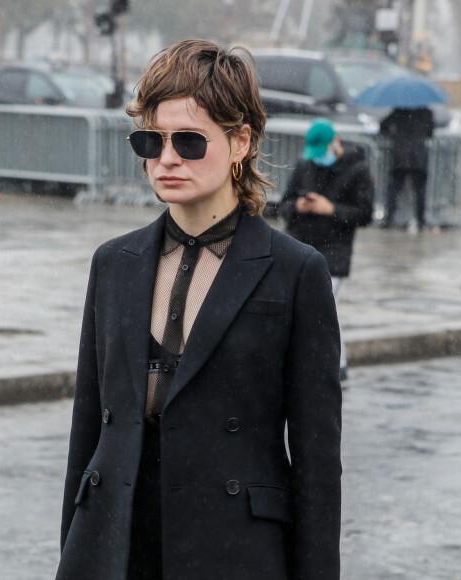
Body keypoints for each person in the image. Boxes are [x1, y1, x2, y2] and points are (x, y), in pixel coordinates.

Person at [56, 40, 342, 580]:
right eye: (150, 140)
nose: (165, 158)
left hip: (232, 548)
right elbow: (88, 429)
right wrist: (72, 548)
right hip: (113, 544)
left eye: (188, 141)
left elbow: (317, 463)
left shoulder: (295, 271)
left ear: (241, 142)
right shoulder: (113, 262)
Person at [279, 118, 374, 381]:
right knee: (318, 311)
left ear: (337, 141)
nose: (319, 159)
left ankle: (327, 366)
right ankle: (336, 365)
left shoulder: (358, 170)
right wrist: (299, 206)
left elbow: (365, 214)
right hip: (299, 247)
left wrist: (331, 209)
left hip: (335, 252)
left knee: (319, 309)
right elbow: (283, 205)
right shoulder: (304, 164)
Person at [379, 107, 434, 231]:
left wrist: (394, 133)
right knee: (420, 189)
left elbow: (382, 126)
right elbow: (430, 132)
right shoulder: (425, 112)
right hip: (418, 156)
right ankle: (420, 220)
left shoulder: (399, 110)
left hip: (401, 154)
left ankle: (389, 218)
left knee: (394, 188)